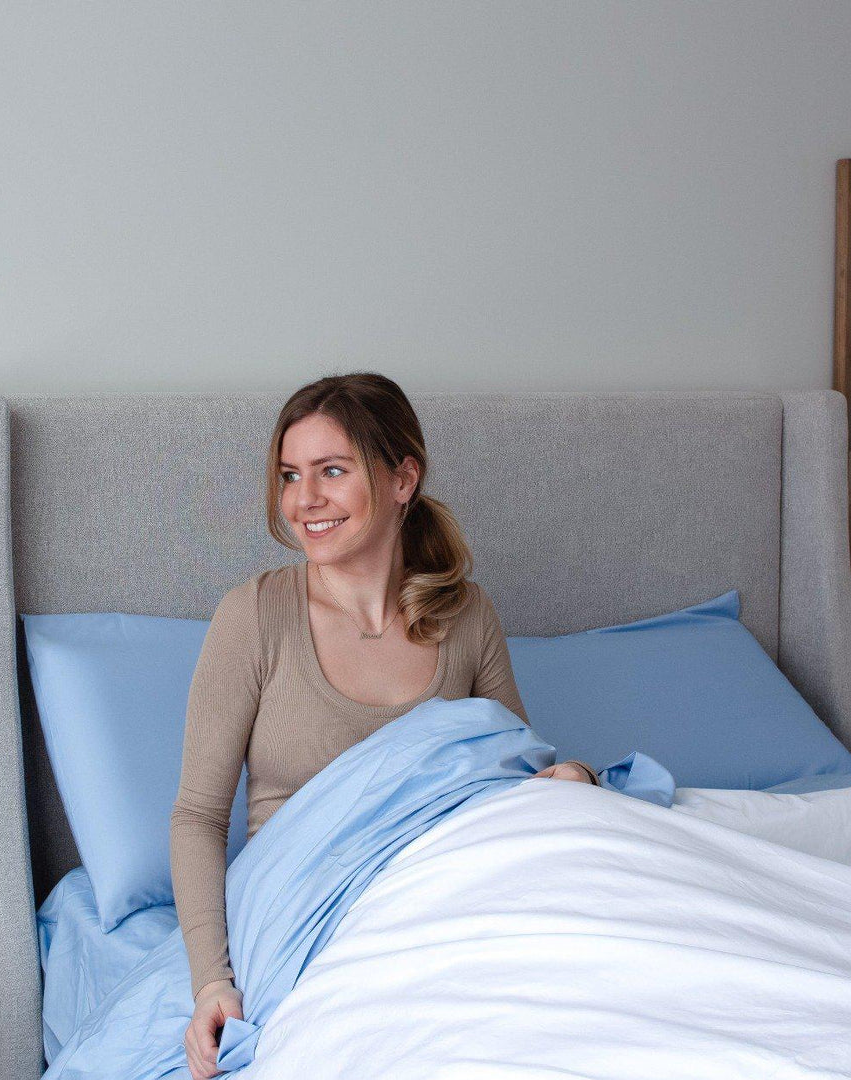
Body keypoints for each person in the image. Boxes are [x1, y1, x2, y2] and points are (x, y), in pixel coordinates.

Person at [169, 373, 599, 1080]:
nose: (304, 500)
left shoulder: (466, 617)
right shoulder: (254, 618)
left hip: (447, 900)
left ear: (403, 479)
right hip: (309, 915)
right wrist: (212, 982)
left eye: (331, 471)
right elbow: (196, 815)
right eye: (289, 476)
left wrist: (572, 777)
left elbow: (513, 775)